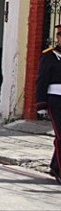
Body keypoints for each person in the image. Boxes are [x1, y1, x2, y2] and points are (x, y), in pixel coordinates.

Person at [36, 25, 61, 185]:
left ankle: (54, 166)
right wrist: (41, 104)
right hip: (55, 100)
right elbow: (42, 80)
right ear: (58, 37)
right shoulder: (49, 56)